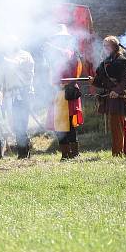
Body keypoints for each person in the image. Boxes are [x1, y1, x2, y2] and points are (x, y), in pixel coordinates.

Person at [44, 25, 84, 160]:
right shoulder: (54, 57)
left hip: (68, 92)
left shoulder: (70, 52)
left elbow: (65, 54)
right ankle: (65, 154)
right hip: (57, 93)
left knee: (70, 124)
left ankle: (74, 153)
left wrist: (51, 46)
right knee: (58, 125)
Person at [92, 36, 126, 157]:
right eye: (104, 46)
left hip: (119, 96)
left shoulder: (122, 61)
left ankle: (117, 154)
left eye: (107, 46)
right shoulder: (104, 62)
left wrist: (116, 90)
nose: (105, 48)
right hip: (110, 97)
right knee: (121, 124)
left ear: (115, 47)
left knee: (116, 125)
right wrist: (93, 81)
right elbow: (100, 82)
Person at [3, 39, 35, 159]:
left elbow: (15, 63)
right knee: (16, 125)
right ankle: (23, 151)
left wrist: (1, 59)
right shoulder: (10, 56)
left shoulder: (24, 55)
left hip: (23, 93)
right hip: (12, 95)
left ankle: (23, 152)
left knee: (21, 124)